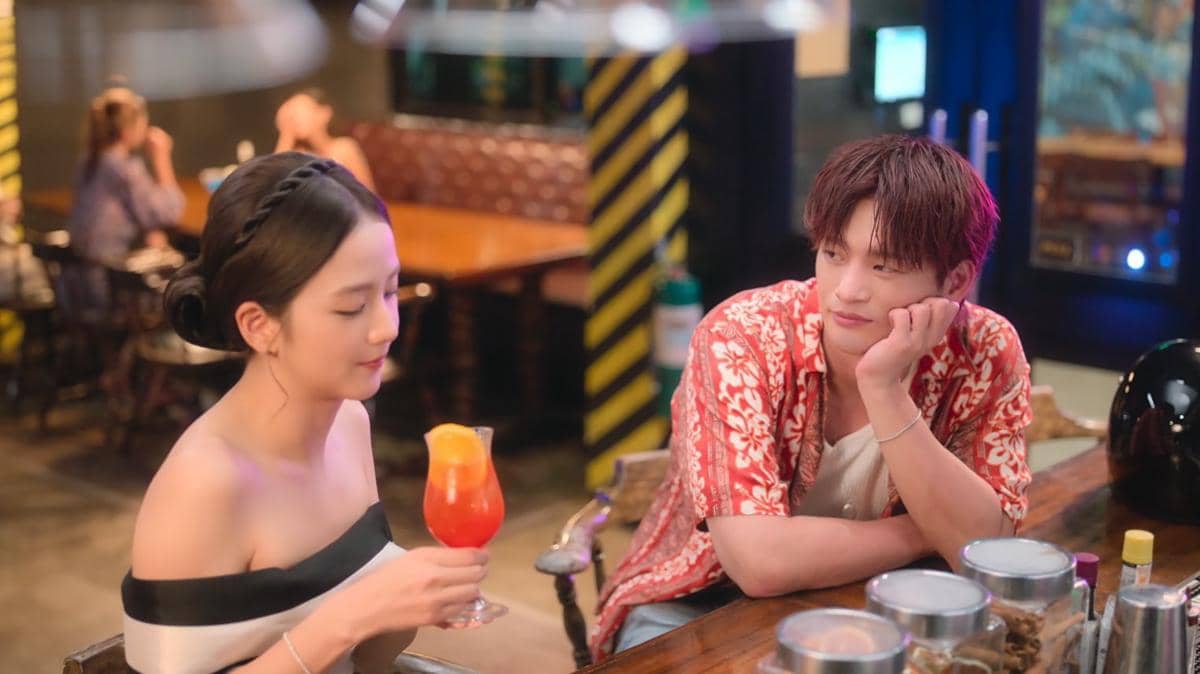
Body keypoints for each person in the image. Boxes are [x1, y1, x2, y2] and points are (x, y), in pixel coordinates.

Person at [591, 135, 1034, 660]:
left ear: (955, 280)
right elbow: (759, 564)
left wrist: (883, 389)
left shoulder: (984, 349)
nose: (847, 289)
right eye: (833, 254)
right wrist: (930, 531)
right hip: (698, 602)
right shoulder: (741, 336)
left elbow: (984, 553)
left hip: (880, 601)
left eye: (884, 266)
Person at [124, 152, 487, 674]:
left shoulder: (350, 422)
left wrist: (412, 599)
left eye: (390, 291)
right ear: (259, 325)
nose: (386, 326)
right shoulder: (203, 485)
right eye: (351, 307)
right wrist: (355, 615)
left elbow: (368, 659)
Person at [67, 86, 182, 319]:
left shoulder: (89, 162)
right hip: (109, 289)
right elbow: (168, 212)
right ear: (128, 130)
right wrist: (162, 156)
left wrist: (151, 231)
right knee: (185, 269)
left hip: (76, 285)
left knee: (157, 240)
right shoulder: (122, 168)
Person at [274, 89, 375, 192]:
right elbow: (275, 191)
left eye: (302, 111)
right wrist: (286, 134)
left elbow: (369, 194)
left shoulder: (343, 148)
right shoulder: (299, 156)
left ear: (325, 113)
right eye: (292, 114)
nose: (296, 119)